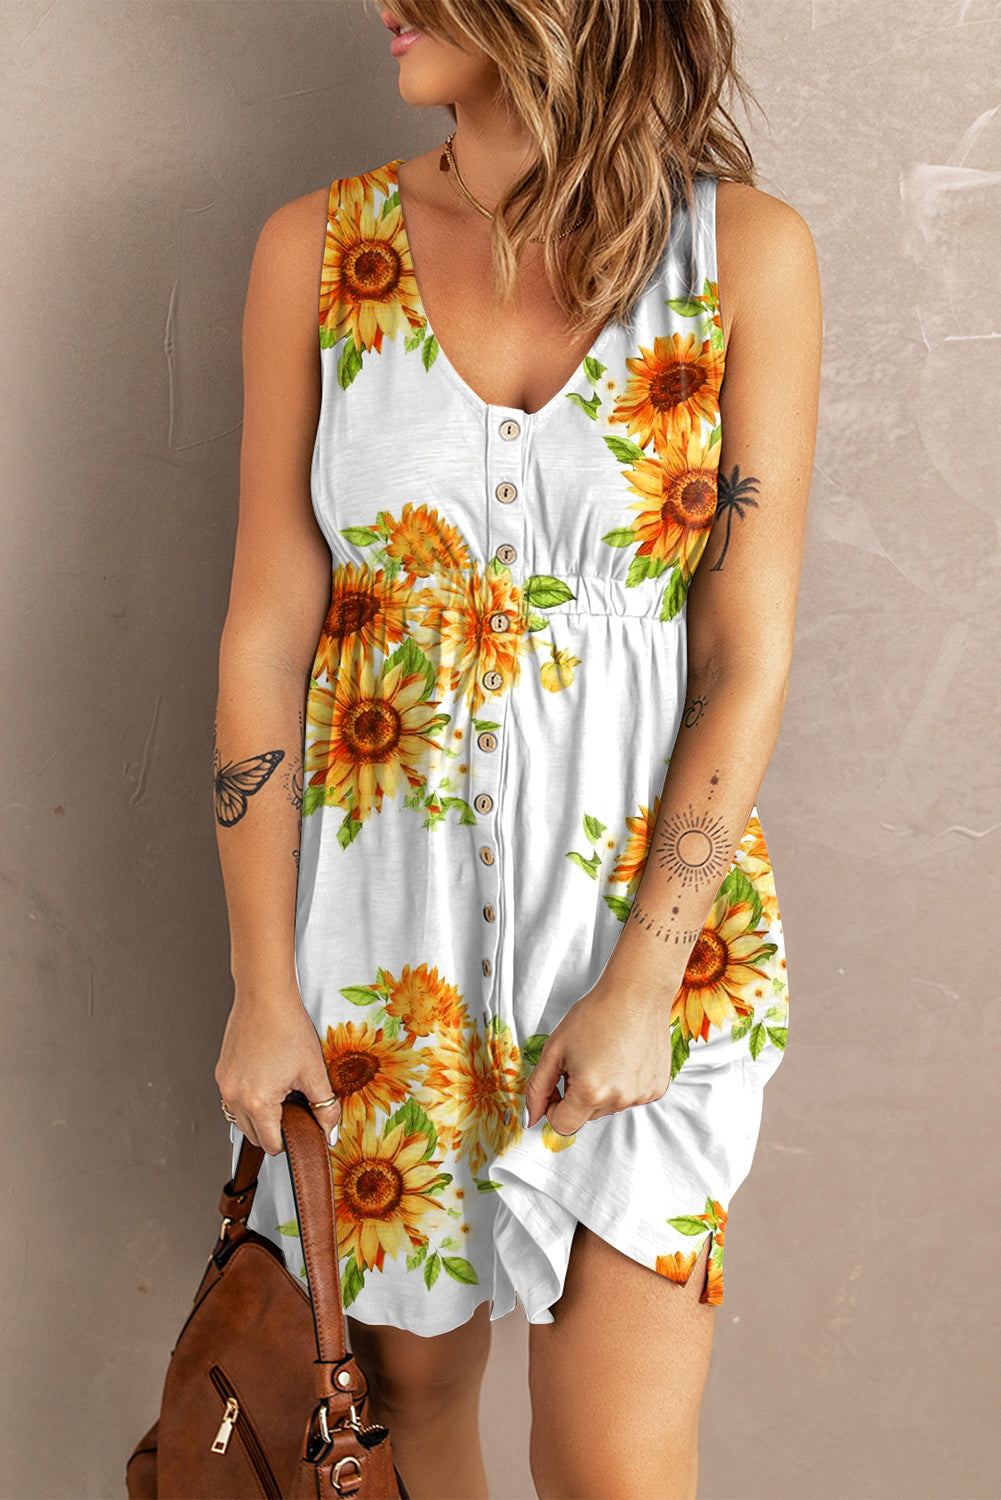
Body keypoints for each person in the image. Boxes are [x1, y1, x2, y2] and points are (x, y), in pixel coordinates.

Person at [212, 0, 822, 1495]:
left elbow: (743, 662)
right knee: (401, 1431)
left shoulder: (746, 256)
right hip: (378, 956)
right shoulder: (315, 249)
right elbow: (260, 643)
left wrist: (638, 987)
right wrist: (260, 990)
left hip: (649, 957)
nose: (386, 5)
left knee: (616, 1463)